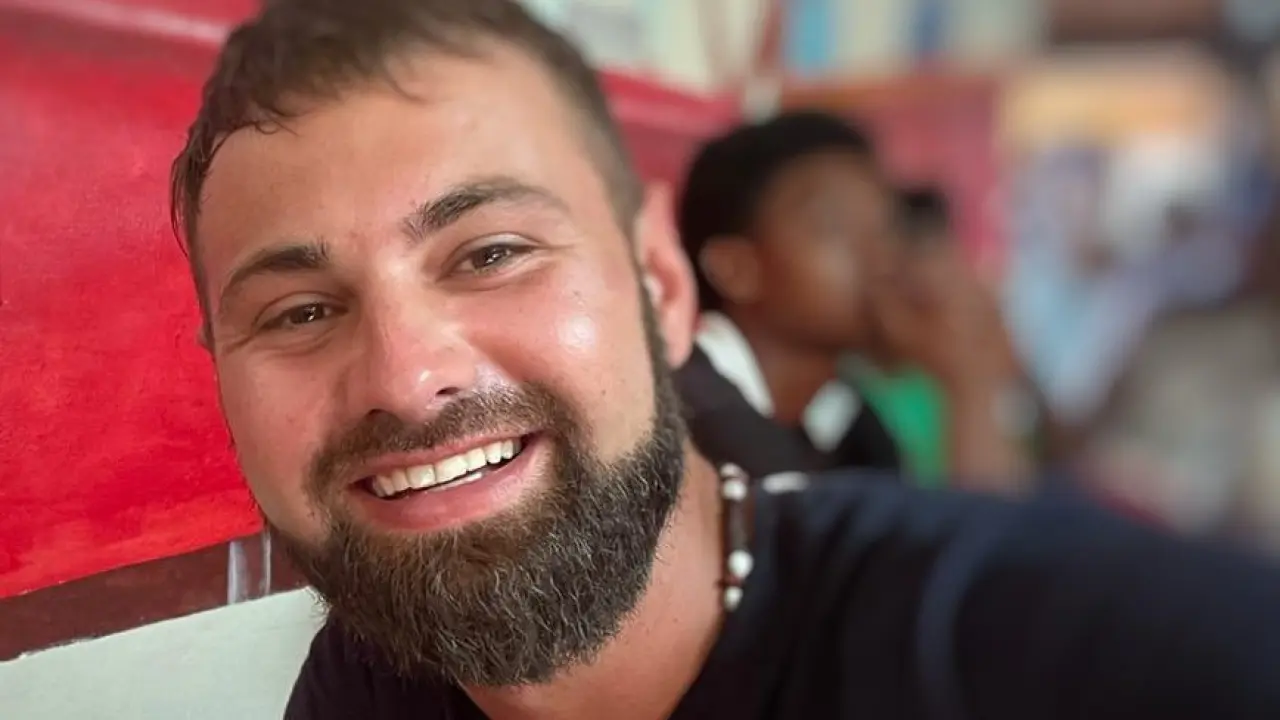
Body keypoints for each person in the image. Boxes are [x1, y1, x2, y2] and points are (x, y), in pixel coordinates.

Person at [171, 1, 1280, 718]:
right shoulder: (372, 676)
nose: (406, 377)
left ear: (661, 286)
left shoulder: (1069, 640)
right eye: (299, 313)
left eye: (492, 253)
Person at [677, 115, 1028, 489]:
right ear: (736, 270)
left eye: (886, 228)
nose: (882, 256)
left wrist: (970, 380)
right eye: (836, 227)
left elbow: (990, 524)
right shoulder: (684, 420)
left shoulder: (855, 428)